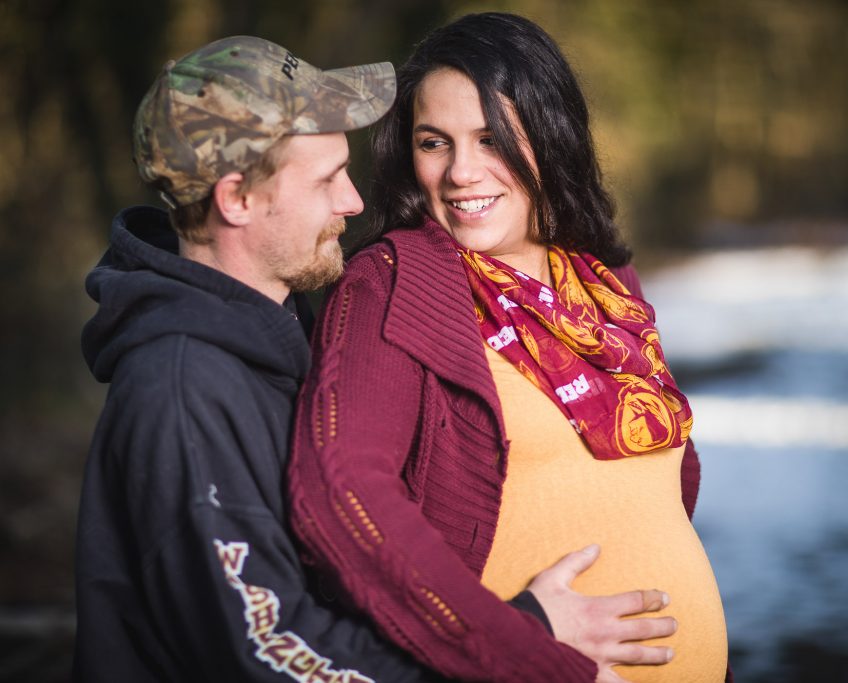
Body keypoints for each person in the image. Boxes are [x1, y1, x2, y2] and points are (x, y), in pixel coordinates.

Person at [289, 12, 730, 683]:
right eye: (435, 142)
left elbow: (659, 493)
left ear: (549, 138)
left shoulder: (603, 283)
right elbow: (341, 495)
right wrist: (524, 650)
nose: (463, 171)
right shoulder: (392, 281)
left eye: (493, 139)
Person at [74, 35, 446, 682]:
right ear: (236, 199)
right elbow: (272, 652)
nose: (353, 202)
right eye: (328, 178)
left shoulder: (285, 337)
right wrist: (502, 655)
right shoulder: (181, 392)